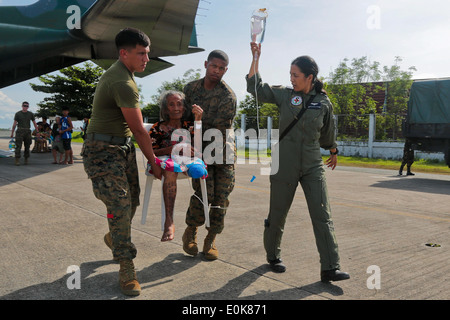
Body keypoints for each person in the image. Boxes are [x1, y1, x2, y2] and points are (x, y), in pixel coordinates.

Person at [247, 42, 349, 283]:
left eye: (296, 75)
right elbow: (256, 88)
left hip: (313, 164)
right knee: (278, 212)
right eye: (290, 75)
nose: (291, 79)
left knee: (322, 214)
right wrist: (255, 58)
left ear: (310, 77)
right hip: (285, 162)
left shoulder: (324, 102)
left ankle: (330, 267)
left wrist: (333, 149)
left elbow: (327, 133)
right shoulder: (285, 96)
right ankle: (273, 256)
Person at [82, 27, 162, 296]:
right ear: (123, 53)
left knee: (133, 201)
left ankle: (115, 237)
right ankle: (126, 265)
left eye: (147, 54)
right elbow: (140, 130)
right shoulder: (122, 82)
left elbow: (134, 132)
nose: (146, 60)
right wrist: (154, 161)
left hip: (122, 149)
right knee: (119, 202)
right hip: (102, 150)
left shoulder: (126, 75)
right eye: (141, 54)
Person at [182, 50, 237, 261]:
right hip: (197, 149)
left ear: (226, 70)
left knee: (221, 196)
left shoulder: (227, 96)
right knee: (203, 193)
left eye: (222, 68)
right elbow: (183, 120)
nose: (217, 71)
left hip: (222, 151)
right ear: (206, 64)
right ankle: (191, 230)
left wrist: (199, 120)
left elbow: (218, 130)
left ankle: (211, 239)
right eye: (214, 66)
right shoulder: (191, 89)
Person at [149, 90, 203, 242]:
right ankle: (169, 221)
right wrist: (173, 149)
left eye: (179, 104)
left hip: (187, 162)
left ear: (184, 108)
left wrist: (198, 120)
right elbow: (151, 151)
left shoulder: (190, 126)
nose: (176, 107)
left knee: (199, 165)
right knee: (171, 170)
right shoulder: (157, 128)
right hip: (164, 163)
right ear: (165, 109)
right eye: (171, 105)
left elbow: (198, 147)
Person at [10, 101, 39, 165]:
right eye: (24, 106)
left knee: (27, 146)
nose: (25, 107)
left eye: (26, 106)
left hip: (27, 131)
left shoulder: (30, 114)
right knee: (18, 146)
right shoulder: (18, 114)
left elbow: (34, 123)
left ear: (28, 107)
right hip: (20, 131)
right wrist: (12, 133)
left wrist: (37, 131)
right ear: (22, 106)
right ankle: (17, 159)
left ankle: (26, 159)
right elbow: (14, 124)